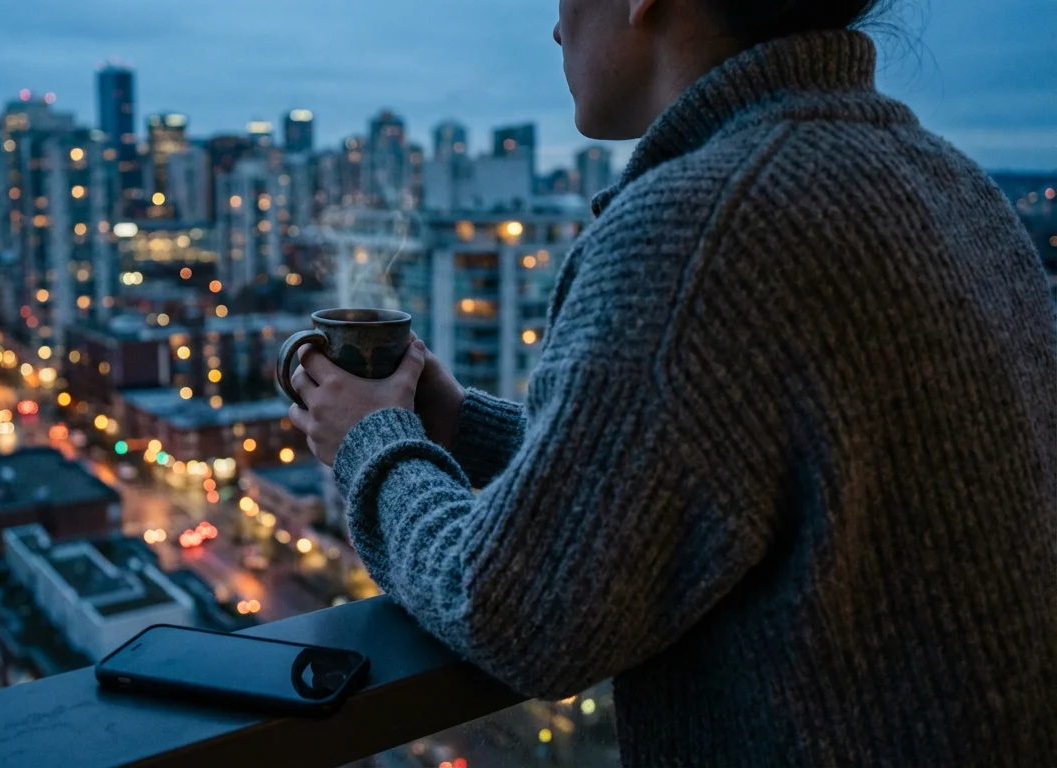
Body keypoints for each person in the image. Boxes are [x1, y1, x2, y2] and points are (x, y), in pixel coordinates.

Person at [287, 0, 1057, 764]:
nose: (555, 27)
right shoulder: (954, 185)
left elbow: (513, 611)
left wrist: (370, 442)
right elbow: (711, 479)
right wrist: (458, 424)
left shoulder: (698, 224)